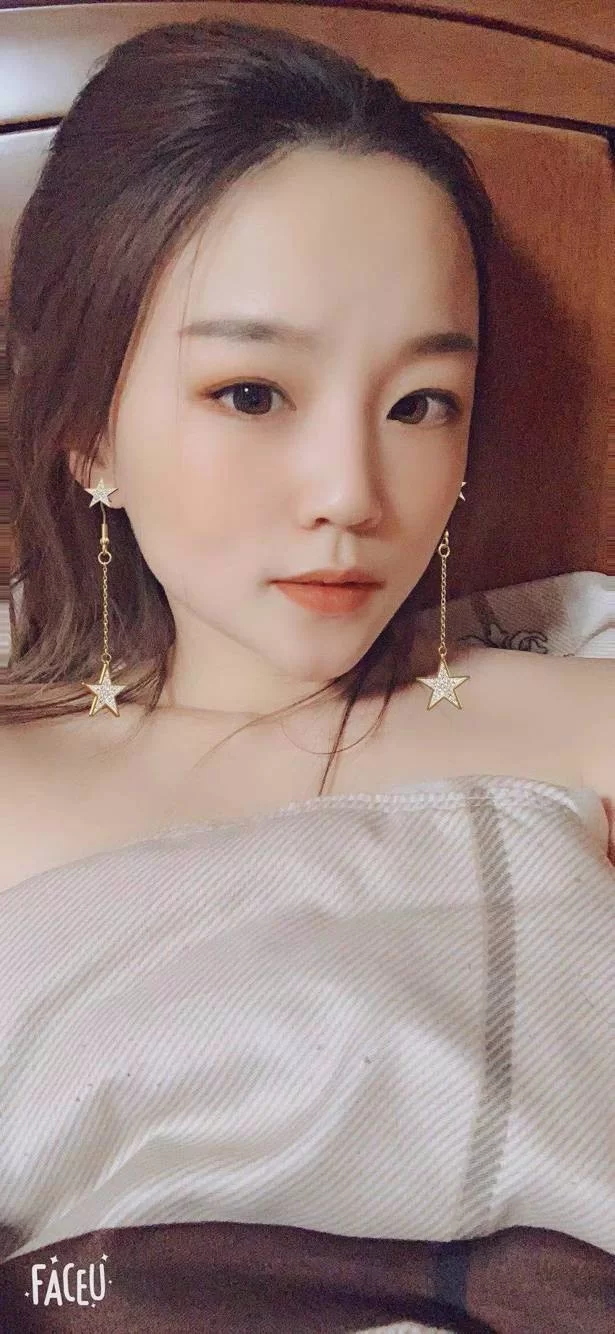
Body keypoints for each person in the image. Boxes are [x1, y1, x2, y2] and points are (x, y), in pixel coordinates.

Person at [0, 15, 613, 1297]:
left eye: (420, 404)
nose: (352, 491)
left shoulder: (586, 725)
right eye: (252, 393)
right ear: (87, 430)